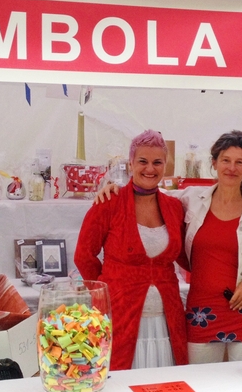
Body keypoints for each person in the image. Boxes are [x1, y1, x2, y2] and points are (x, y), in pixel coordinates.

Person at [96, 130, 242, 364]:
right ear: (214, 163)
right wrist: (114, 188)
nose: (232, 168)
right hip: (202, 312)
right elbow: (148, 190)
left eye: (240, 162)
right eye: (225, 160)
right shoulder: (190, 200)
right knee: (200, 381)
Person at [74, 129, 188, 371]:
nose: (150, 169)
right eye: (143, 161)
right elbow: (84, 255)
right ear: (131, 163)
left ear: (165, 165)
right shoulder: (109, 203)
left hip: (166, 321)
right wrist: (104, 292)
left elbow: (185, 255)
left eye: (157, 162)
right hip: (121, 317)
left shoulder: (175, 207)